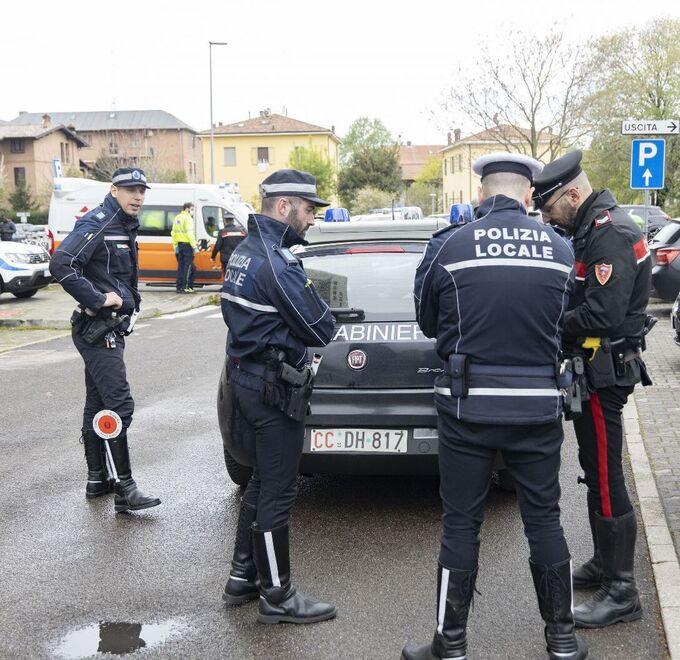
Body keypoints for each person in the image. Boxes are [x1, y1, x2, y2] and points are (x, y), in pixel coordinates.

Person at [402, 153, 587, 660]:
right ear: (528, 195)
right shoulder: (558, 248)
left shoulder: (450, 246)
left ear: (482, 194)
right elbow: (567, 318)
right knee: (545, 520)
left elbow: (427, 321)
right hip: (538, 410)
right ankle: (563, 641)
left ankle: (452, 643)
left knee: (461, 523)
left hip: (468, 410)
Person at [533, 150, 652, 629]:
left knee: (606, 475)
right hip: (594, 368)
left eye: (549, 207)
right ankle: (606, 565)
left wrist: (551, 325)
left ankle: (622, 591)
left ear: (573, 195)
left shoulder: (610, 234)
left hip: (605, 373)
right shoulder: (591, 229)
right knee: (593, 469)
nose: (546, 217)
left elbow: (600, 315)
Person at [220, 169, 336, 625]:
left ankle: (242, 576)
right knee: (279, 491)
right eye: (308, 210)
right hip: (272, 390)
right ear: (284, 206)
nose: (311, 220)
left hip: (248, 379)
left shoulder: (245, 252)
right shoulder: (277, 263)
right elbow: (321, 328)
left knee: (259, 483)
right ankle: (278, 595)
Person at [49, 167, 161, 514]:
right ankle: (125, 488)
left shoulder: (124, 224)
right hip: (97, 328)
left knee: (97, 404)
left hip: (108, 327)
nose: (137, 196)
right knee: (119, 406)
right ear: (114, 190)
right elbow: (62, 264)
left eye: (141, 190)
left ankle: (97, 477)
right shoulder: (98, 222)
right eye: (130, 190)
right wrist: (99, 299)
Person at [171, 202, 197, 293]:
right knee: (188, 267)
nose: (193, 211)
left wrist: (175, 245)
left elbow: (173, 233)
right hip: (187, 245)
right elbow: (190, 234)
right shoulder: (188, 218)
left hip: (179, 245)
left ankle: (179, 287)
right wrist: (194, 246)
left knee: (181, 267)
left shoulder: (177, 217)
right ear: (187, 208)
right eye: (192, 209)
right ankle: (185, 287)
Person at [211, 213, 246, 278]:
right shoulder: (241, 232)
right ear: (233, 221)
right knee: (236, 275)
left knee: (226, 275)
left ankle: (226, 287)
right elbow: (245, 245)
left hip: (226, 258)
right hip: (237, 258)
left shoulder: (222, 232)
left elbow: (218, 245)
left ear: (225, 221)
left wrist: (213, 256)